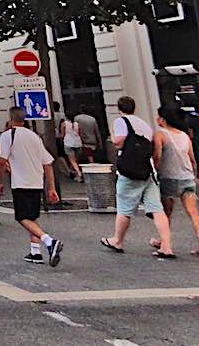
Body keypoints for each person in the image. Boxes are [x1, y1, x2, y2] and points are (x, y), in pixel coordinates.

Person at [100, 95, 174, 258]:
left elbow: (119, 141)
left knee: (124, 207)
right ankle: (167, 246)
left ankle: (117, 240)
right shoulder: (144, 124)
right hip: (147, 170)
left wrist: (112, 135)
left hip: (129, 171)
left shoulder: (121, 122)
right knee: (157, 209)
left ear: (119, 108)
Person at [0, 107, 62, 266]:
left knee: (22, 217)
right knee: (32, 218)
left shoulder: (7, 136)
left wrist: (0, 181)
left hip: (21, 182)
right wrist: (51, 187)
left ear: (11, 119)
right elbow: (48, 162)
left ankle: (49, 241)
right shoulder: (34, 137)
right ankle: (35, 252)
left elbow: (1, 161)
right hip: (36, 182)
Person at [152, 107, 199, 255]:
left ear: (163, 120)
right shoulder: (184, 136)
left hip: (169, 177)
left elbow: (157, 156)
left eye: (158, 117)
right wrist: (194, 175)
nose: (157, 119)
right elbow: (192, 159)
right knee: (193, 212)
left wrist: (157, 170)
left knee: (166, 213)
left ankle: (164, 243)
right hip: (188, 178)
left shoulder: (160, 134)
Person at [59, 113, 84, 182]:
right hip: (78, 143)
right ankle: (73, 173)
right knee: (75, 161)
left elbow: (62, 134)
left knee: (72, 161)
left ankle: (79, 174)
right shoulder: (76, 124)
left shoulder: (64, 123)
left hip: (68, 143)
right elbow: (80, 133)